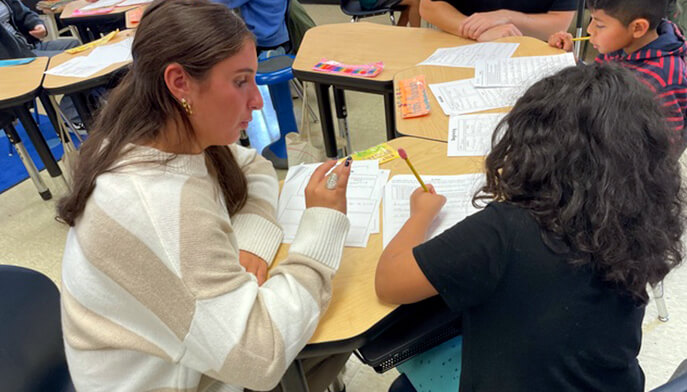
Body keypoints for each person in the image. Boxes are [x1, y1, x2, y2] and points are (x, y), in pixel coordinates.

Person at [57, 0, 353, 391]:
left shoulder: (163, 133)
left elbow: (254, 167)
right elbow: (261, 357)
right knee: (335, 323)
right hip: (183, 379)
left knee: (331, 325)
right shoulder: (153, 201)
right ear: (179, 82)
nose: (257, 100)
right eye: (240, 81)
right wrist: (323, 224)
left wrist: (250, 241)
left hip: (195, 361)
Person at [375, 64, 684, 391]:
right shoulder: (639, 218)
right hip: (610, 383)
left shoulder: (507, 230)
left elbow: (390, 281)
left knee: (404, 386)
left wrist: (419, 215)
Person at [549, 0, 687, 151]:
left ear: (638, 28)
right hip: (604, 125)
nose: (589, 30)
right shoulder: (620, 44)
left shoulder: (662, 79)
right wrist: (571, 58)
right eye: (592, 19)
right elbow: (596, 77)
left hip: (625, 155)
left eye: (600, 25)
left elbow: (666, 146)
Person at [419, 0, 576, 41]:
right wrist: (476, 30)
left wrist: (507, 16)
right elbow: (428, 6)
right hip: (461, 45)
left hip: (531, 52)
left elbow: (559, 23)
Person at [0, 0, 79, 58]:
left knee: (75, 44)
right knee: (67, 57)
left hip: (29, 45)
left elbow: (25, 13)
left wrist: (37, 24)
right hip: (15, 55)